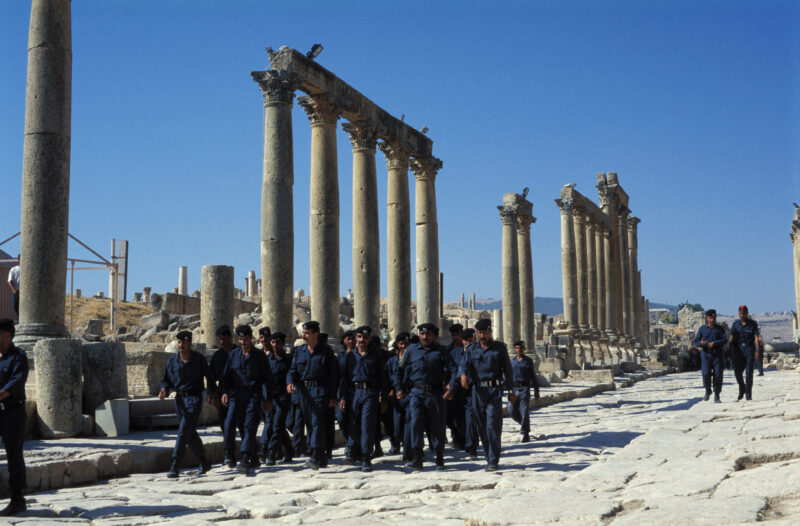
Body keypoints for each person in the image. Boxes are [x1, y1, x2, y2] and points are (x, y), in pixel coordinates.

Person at [395, 323, 456, 471]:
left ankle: (439, 457)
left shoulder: (441, 351)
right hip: (417, 393)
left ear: (434, 336)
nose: (425, 337)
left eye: (428, 334)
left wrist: (451, 388)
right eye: (422, 334)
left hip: (436, 393)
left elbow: (454, 370)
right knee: (416, 424)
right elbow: (400, 370)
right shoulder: (411, 350)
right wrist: (399, 388)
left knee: (437, 425)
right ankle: (417, 457)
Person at [458, 318, 515, 471]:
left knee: (492, 426)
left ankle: (493, 460)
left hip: (494, 392)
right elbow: (463, 365)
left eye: (484, 332)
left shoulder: (500, 348)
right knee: (481, 426)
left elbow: (508, 371)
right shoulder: (472, 349)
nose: (482, 335)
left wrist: (511, 391)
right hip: (477, 392)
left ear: (490, 331)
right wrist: (463, 375)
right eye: (479, 333)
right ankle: (488, 455)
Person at [159, 331, 214, 478]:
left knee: (183, 430)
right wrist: (163, 389)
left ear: (190, 343)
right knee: (189, 432)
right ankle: (204, 462)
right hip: (180, 400)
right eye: (179, 342)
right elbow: (166, 380)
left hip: (194, 399)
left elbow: (209, 377)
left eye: (184, 342)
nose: (181, 345)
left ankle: (175, 464)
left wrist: (211, 393)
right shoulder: (172, 361)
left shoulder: (199, 359)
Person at [220, 325, 275, 473]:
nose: (243, 342)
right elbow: (226, 376)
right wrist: (225, 392)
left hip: (253, 395)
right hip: (236, 396)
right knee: (234, 424)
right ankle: (242, 455)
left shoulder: (260, 356)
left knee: (250, 426)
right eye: (240, 339)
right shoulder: (233, 355)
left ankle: (245, 458)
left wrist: (268, 399)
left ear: (251, 338)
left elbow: (268, 379)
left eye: (245, 339)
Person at [287, 321, 338, 470]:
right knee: (310, 424)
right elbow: (292, 371)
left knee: (317, 422)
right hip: (304, 392)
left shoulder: (326, 351)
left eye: (307, 333)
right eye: (303, 333)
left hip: (320, 391)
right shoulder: (299, 351)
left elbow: (333, 375)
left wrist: (333, 396)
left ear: (316, 334)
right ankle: (321, 456)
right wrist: (290, 383)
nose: (304, 336)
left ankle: (315, 455)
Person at [339, 326, 388, 472]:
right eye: (359, 337)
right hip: (354, 393)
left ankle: (366, 457)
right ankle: (356, 451)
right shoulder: (350, 356)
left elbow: (383, 378)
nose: (362, 340)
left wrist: (384, 397)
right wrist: (343, 397)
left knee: (367, 425)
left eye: (365, 337)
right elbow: (344, 378)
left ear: (369, 338)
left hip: (370, 393)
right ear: (356, 338)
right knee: (353, 424)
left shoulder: (376, 355)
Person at [0, 318, 28, 515]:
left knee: (14, 456)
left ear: (7, 335)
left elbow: (16, 383)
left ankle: (17, 500)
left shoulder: (19, 357)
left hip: (12, 413)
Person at [264, 331, 293, 464]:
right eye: (273, 342)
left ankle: (272, 453)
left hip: (283, 397)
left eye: (278, 343)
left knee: (277, 425)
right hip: (270, 397)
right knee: (278, 425)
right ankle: (289, 449)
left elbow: (291, 375)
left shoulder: (288, 360)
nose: (275, 345)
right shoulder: (267, 359)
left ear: (283, 344)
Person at [209, 325, 238, 440]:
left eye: (224, 339)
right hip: (221, 391)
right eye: (220, 339)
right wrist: (211, 393)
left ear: (230, 337)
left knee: (234, 422)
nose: (221, 342)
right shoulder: (217, 355)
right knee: (223, 421)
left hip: (237, 390)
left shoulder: (239, 352)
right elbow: (211, 376)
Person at [507, 340, 540, 442]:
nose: (519, 350)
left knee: (524, 410)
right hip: (514, 389)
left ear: (524, 349)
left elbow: (533, 377)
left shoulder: (528, 361)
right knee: (511, 411)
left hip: (524, 389)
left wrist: (536, 390)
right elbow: (508, 376)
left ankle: (525, 433)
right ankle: (525, 425)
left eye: (521, 348)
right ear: (515, 349)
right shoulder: (512, 361)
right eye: (517, 348)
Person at [693, 309, 728, 403]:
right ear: (707, 318)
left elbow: (724, 340)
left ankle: (717, 395)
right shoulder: (702, 329)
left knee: (718, 374)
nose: (712, 320)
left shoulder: (720, 329)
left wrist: (714, 343)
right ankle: (708, 390)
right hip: (706, 354)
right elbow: (696, 341)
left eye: (714, 318)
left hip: (717, 354)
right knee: (705, 373)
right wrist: (701, 343)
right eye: (710, 318)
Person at [386, 332, 411, 458]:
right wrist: (391, 390)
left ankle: (409, 450)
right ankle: (395, 444)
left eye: (406, 344)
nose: (404, 346)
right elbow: (387, 378)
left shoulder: (413, 360)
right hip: (396, 397)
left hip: (410, 395)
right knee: (396, 426)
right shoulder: (391, 361)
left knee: (410, 424)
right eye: (401, 344)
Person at [729, 305, 760, 401]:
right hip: (738, 350)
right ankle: (742, 387)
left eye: (744, 313)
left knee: (749, 373)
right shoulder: (735, 324)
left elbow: (756, 337)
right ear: (739, 314)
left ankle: (748, 394)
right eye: (741, 313)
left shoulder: (753, 324)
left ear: (747, 313)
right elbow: (731, 337)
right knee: (737, 373)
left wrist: (757, 350)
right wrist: (729, 350)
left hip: (749, 349)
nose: (742, 315)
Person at [445, 324, 466, 450]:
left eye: (458, 334)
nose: (455, 337)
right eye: (453, 335)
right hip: (452, 386)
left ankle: (463, 439)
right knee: (450, 415)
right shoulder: (448, 350)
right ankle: (455, 436)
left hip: (464, 386)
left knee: (462, 415)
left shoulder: (467, 349)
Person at [460, 328, 479, 458]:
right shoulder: (457, 352)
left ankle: (471, 446)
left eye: (469, 340)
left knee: (471, 418)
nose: (467, 343)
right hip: (458, 390)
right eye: (465, 340)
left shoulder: (478, 351)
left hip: (474, 388)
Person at [337, 330, 356, 459]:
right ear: (344, 340)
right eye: (348, 339)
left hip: (356, 391)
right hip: (342, 391)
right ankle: (349, 440)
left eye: (353, 339)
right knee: (341, 418)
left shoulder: (359, 354)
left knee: (354, 420)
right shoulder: (340, 356)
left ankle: (351, 446)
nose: (351, 341)